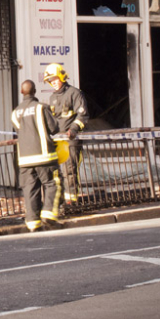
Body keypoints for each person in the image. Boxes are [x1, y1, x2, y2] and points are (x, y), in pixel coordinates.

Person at [12, 79, 62, 232]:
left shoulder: (15, 113)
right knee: (53, 184)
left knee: (30, 190)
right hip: (44, 155)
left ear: (22, 92)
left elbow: (21, 131)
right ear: (34, 91)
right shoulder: (41, 108)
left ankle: (33, 223)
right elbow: (54, 128)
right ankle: (49, 214)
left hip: (25, 159)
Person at [43, 63, 89, 212]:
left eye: (55, 78)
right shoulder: (52, 98)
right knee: (57, 171)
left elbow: (83, 115)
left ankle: (72, 202)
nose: (53, 82)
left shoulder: (74, 93)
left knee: (70, 169)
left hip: (71, 140)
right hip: (57, 141)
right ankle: (60, 199)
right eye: (50, 80)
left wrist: (74, 129)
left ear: (62, 76)